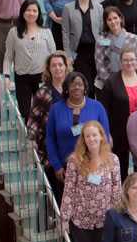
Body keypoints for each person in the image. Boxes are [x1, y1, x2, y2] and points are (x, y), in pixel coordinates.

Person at [60, 121, 121, 242]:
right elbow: (69, 190)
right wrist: (64, 219)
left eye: (95, 135)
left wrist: (117, 217)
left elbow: (117, 189)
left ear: (101, 136)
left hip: (105, 220)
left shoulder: (113, 160)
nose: (91, 139)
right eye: (88, 136)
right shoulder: (75, 160)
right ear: (83, 139)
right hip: (81, 220)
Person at [46, 72, 110, 204]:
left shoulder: (97, 107)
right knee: (66, 203)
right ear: (66, 88)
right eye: (73, 84)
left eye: (80, 84)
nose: (76, 87)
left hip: (92, 165)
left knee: (91, 201)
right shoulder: (56, 109)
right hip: (65, 168)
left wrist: (101, 163)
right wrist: (57, 165)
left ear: (85, 87)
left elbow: (106, 137)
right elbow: (50, 138)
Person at [99, 48, 137, 182]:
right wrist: (106, 132)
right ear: (120, 62)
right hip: (119, 131)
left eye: (132, 59)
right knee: (120, 167)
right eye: (126, 60)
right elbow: (103, 108)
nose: (129, 63)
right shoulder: (111, 81)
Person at [3, 0, 56, 121]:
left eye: (34, 10)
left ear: (38, 13)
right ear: (22, 12)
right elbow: (8, 57)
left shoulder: (46, 32)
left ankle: (44, 138)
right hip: (22, 77)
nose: (31, 13)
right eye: (28, 10)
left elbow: (53, 56)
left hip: (42, 77)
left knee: (45, 111)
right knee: (25, 111)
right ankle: (30, 138)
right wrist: (6, 76)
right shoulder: (13, 32)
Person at [27, 51, 71, 190]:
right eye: (54, 66)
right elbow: (33, 119)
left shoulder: (74, 89)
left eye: (60, 65)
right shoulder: (43, 92)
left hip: (72, 147)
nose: (57, 68)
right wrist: (31, 139)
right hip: (51, 148)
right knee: (55, 190)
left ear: (66, 67)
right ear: (49, 69)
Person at [61, 0, 103, 98]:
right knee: (84, 83)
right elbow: (65, 33)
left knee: (97, 84)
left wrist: (105, 50)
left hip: (96, 52)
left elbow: (102, 32)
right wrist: (68, 55)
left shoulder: (99, 8)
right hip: (78, 53)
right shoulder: (68, 8)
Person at [94, 6, 137, 93]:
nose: (113, 22)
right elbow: (99, 64)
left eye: (115, 18)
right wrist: (112, 83)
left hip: (128, 81)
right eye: (109, 19)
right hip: (106, 83)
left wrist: (124, 81)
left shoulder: (133, 38)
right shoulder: (102, 40)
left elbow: (135, 63)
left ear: (121, 18)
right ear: (106, 22)